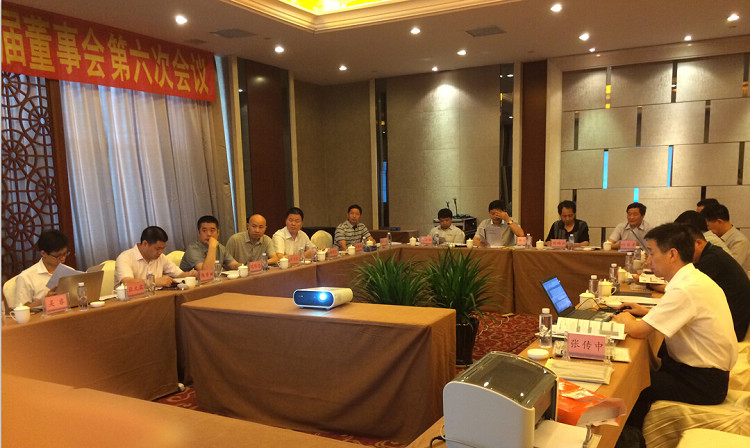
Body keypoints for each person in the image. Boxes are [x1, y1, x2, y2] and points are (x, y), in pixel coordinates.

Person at [613, 223, 737, 433]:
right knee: (639, 372)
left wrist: (624, 319)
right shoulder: (693, 279)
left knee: (632, 385)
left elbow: (638, 331)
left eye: (651, 253)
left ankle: (632, 440)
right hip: (702, 374)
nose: (648, 260)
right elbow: (682, 314)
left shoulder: (685, 288)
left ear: (672, 254)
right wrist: (646, 311)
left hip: (702, 383)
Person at [674, 221, 750, 341]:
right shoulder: (712, 253)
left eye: (684, 249)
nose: (684, 255)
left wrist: (652, 284)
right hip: (727, 320)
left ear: (698, 243)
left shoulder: (712, 259)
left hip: (731, 328)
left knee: (674, 332)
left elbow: (683, 286)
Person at [115, 226, 197, 286]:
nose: (161, 252)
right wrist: (154, 282)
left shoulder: (161, 257)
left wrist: (189, 275)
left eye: (163, 248)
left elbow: (179, 274)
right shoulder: (125, 258)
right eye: (158, 248)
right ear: (145, 243)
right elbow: (127, 282)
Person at [11, 229, 72, 309]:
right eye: (58, 256)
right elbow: (20, 309)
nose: (63, 259)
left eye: (65, 254)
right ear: (43, 253)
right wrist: (45, 300)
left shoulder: (69, 271)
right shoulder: (26, 277)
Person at [701, 203, 750, 271]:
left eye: (707, 226)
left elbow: (732, 267)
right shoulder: (716, 237)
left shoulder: (739, 241)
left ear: (719, 222)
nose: (707, 229)